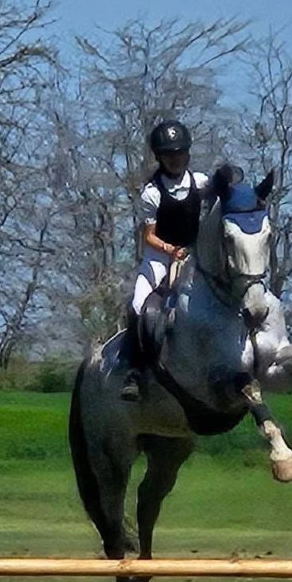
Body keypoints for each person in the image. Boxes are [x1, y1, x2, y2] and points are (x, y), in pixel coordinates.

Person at [120, 119, 209, 401]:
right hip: (160, 256)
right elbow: (149, 236)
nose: (175, 159)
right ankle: (133, 372)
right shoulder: (152, 193)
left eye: (180, 153)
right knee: (138, 305)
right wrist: (171, 250)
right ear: (160, 157)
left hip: (194, 254)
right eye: (169, 154)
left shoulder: (201, 182)